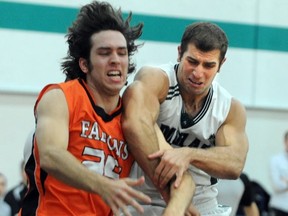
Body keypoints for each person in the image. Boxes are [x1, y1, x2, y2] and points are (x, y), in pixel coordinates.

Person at [19, 1, 152, 216]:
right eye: (104, 53)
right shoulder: (60, 97)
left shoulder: (131, 116)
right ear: (84, 64)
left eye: (122, 52)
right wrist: (103, 185)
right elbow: (51, 155)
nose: (115, 60)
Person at [121, 21, 249, 215]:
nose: (198, 73)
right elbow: (134, 125)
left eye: (208, 65)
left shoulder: (229, 108)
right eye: (192, 61)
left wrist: (188, 154)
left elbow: (235, 164)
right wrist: (177, 201)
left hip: (201, 206)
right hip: (145, 200)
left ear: (221, 64)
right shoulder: (156, 79)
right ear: (180, 53)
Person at [269, 131, 288, 216]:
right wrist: (282, 183)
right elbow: (277, 185)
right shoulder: (276, 160)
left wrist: (285, 180)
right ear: (285, 141)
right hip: (279, 208)